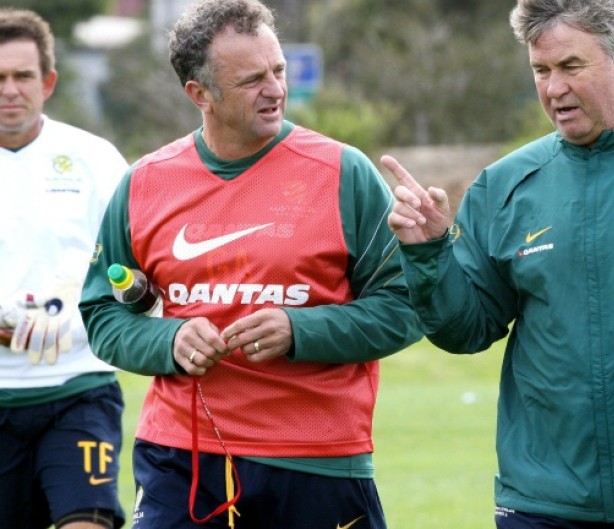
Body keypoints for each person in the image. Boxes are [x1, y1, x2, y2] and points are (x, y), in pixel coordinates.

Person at [380, 0, 614, 526]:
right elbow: (465, 330)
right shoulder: (504, 185)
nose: (553, 88)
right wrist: (428, 253)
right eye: (541, 70)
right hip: (544, 502)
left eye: (570, 66)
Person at [78, 0, 420, 528]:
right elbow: (103, 313)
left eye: (278, 70)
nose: (276, 89)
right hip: (182, 455)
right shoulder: (144, 183)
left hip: (315, 458)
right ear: (200, 95)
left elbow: (408, 305)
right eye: (252, 79)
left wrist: (300, 330)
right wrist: (169, 339)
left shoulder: (343, 172)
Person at [0, 8, 129, 529]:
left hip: (78, 385)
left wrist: (78, 321)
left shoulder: (95, 159)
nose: (10, 90)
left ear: (47, 82)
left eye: (22, 76)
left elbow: (133, 270)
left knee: (87, 521)